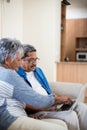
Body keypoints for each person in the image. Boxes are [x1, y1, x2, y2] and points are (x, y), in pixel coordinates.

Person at [0, 38, 70, 130]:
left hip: (18, 115)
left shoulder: (4, 73)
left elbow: (18, 101)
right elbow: (38, 101)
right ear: (7, 60)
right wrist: (59, 99)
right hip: (11, 119)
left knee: (61, 124)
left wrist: (28, 114)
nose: (19, 63)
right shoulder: (9, 75)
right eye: (18, 60)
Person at [17, 44, 87, 130]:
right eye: (31, 60)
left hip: (51, 104)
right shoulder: (16, 76)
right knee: (71, 116)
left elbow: (47, 91)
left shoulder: (38, 71)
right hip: (40, 109)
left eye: (36, 59)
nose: (34, 63)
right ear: (20, 60)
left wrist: (58, 98)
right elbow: (23, 103)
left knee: (82, 108)